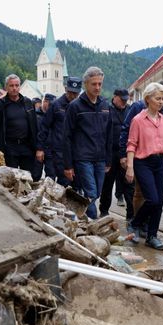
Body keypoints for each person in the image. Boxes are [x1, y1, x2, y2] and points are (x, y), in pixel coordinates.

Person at [119, 79, 163, 234]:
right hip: (142, 162)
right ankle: (135, 223)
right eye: (158, 98)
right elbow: (131, 144)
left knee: (159, 202)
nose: (162, 102)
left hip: (160, 163)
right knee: (152, 199)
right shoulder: (138, 119)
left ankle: (152, 235)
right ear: (148, 99)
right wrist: (129, 166)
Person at [63, 66, 112, 220]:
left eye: (100, 84)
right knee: (91, 192)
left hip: (100, 158)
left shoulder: (105, 106)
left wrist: (108, 159)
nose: (97, 87)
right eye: (94, 84)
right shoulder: (75, 107)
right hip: (83, 157)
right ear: (85, 84)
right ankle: (94, 222)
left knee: (96, 193)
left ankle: (78, 213)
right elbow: (66, 136)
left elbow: (109, 134)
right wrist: (68, 165)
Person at [36, 77, 82, 187]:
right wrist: (40, 148)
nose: (73, 96)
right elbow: (45, 127)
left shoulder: (81, 106)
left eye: (76, 93)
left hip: (77, 150)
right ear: (66, 89)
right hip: (59, 150)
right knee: (64, 181)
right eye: (71, 92)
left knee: (77, 182)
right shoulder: (56, 105)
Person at [0, 74, 38, 174]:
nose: (14, 88)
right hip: (9, 148)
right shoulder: (0, 105)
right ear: (6, 87)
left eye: (17, 85)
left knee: (28, 177)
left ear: (20, 86)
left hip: (27, 147)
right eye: (11, 86)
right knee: (10, 178)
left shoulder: (27, 102)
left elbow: (34, 126)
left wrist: (38, 147)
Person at [99, 88, 134, 221]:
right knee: (107, 184)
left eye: (126, 100)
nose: (124, 102)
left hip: (125, 153)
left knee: (129, 184)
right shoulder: (106, 110)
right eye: (122, 100)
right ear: (115, 97)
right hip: (111, 153)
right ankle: (104, 211)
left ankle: (130, 215)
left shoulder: (130, 110)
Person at [32, 93, 56, 181]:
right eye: (49, 104)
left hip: (50, 150)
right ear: (44, 102)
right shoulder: (34, 115)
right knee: (35, 175)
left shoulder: (55, 115)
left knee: (51, 176)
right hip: (37, 149)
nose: (51, 106)